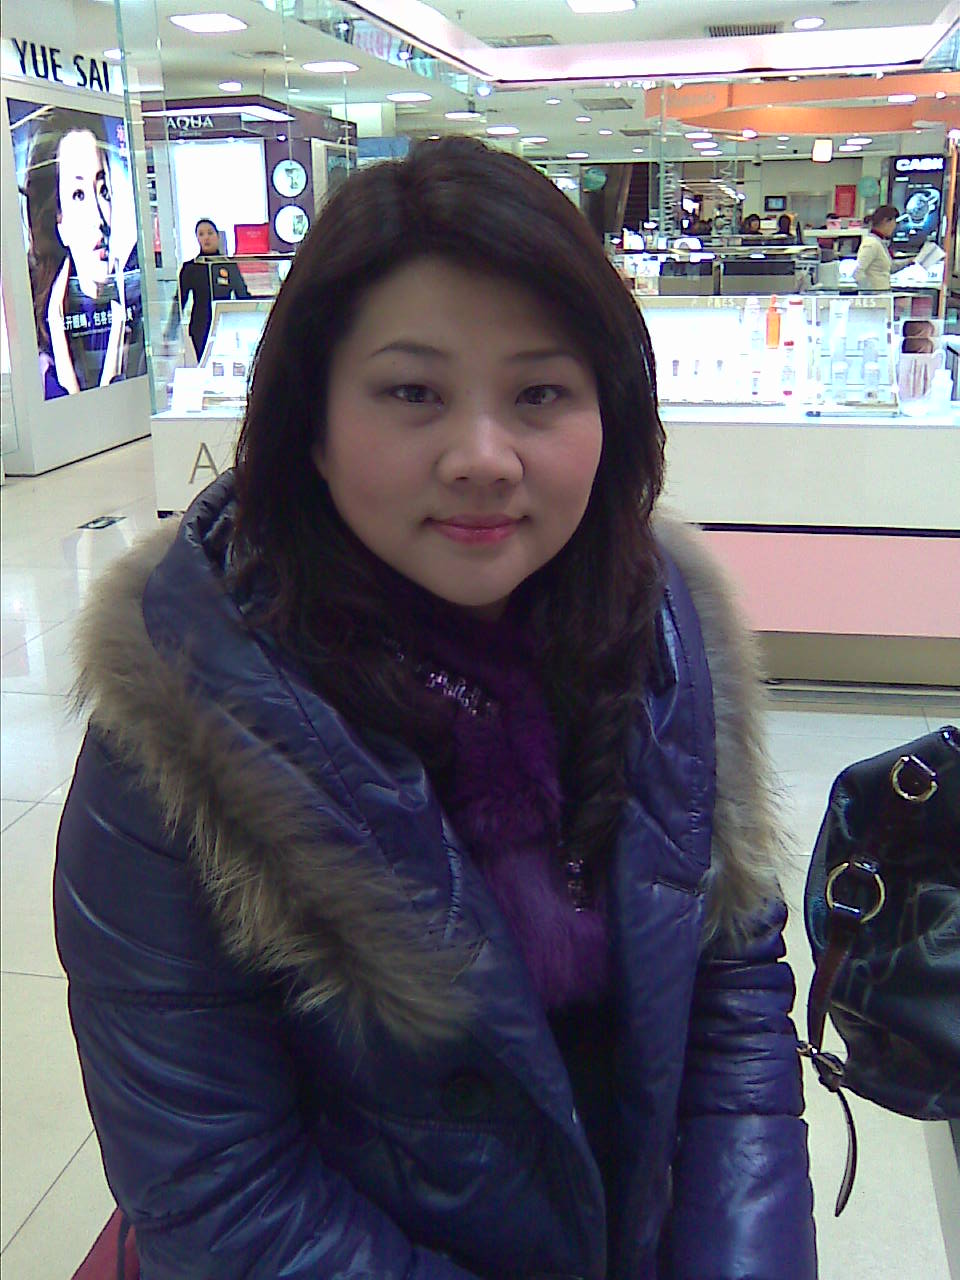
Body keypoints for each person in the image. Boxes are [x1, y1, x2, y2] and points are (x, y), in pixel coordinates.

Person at [55, 138, 817, 1280]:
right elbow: (218, 1190)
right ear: (312, 423)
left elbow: (733, 1003)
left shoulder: (663, 636)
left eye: (540, 393)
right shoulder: (180, 721)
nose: (482, 457)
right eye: (412, 392)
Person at [20, 107, 142, 399]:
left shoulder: (135, 299)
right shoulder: (39, 322)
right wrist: (56, 329)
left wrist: (120, 328)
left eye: (103, 191)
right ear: (58, 219)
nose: (99, 218)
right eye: (78, 195)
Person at [170, 217, 251, 359]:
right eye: (201, 234)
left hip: (224, 325)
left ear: (218, 236)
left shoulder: (229, 265)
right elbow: (180, 300)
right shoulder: (190, 268)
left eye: (210, 233)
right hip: (200, 325)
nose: (206, 238)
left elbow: (242, 295)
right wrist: (171, 330)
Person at [855, 204, 898, 290]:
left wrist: (909, 261)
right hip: (876, 295)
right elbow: (857, 272)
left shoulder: (880, 242)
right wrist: (869, 291)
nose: (895, 226)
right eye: (894, 222)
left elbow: (890, 267)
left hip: (883, 293)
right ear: (886, 221)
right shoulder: (871, 244)